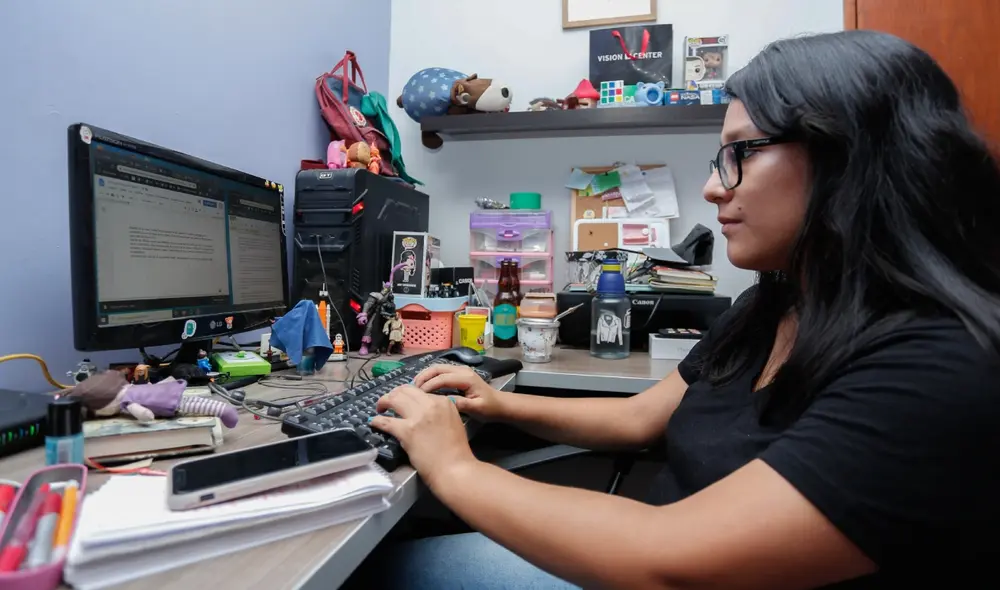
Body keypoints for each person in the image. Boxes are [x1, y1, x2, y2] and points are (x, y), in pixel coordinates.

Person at [359, 30, 1000, 589]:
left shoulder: (939, 366)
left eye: (741, 153)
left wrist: (454, 467)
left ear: (851, 156)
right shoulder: (768, 305)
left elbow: (670, 559)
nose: (713, 186)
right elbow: (641, 419)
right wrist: (496, 405)